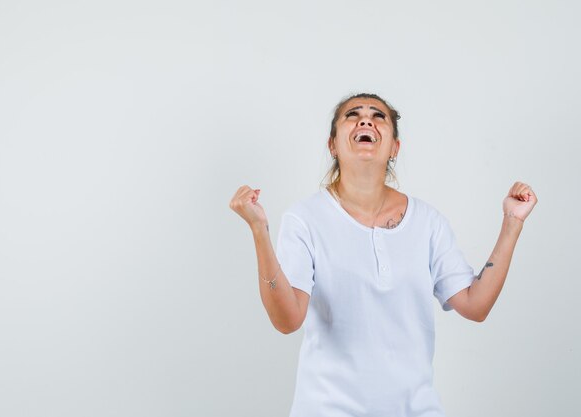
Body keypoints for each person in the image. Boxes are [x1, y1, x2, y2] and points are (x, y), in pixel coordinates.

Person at [229, 93, 537, 417]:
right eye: (353, 115)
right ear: (332, 144)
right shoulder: (305, 219)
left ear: (394, 148)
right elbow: (287, 320)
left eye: (379, 116)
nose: (366, 120)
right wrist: (259, 230)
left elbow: (476, 305)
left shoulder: (427, 222)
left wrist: (512, 222)